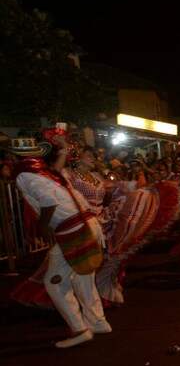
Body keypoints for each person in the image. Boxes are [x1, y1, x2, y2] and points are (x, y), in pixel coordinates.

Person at [11, 137, 110, 347]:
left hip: (73, 230)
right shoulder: (45, 172)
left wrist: (44, 226)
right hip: (86, 223)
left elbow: (49, 202)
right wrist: (64, 149)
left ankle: (79, 329)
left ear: (13, 158)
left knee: (54, 283)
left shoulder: (26, 175)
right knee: (83, 277)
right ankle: (98, 322)